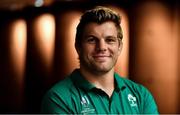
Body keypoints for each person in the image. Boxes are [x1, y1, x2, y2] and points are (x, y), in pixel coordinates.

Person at [41, 6, 159, 114]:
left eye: (110, 40)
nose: (102, 47)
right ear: (78, 47)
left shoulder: (141, 96)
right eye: (92, 40)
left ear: (120, 47)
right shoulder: (59, 98)